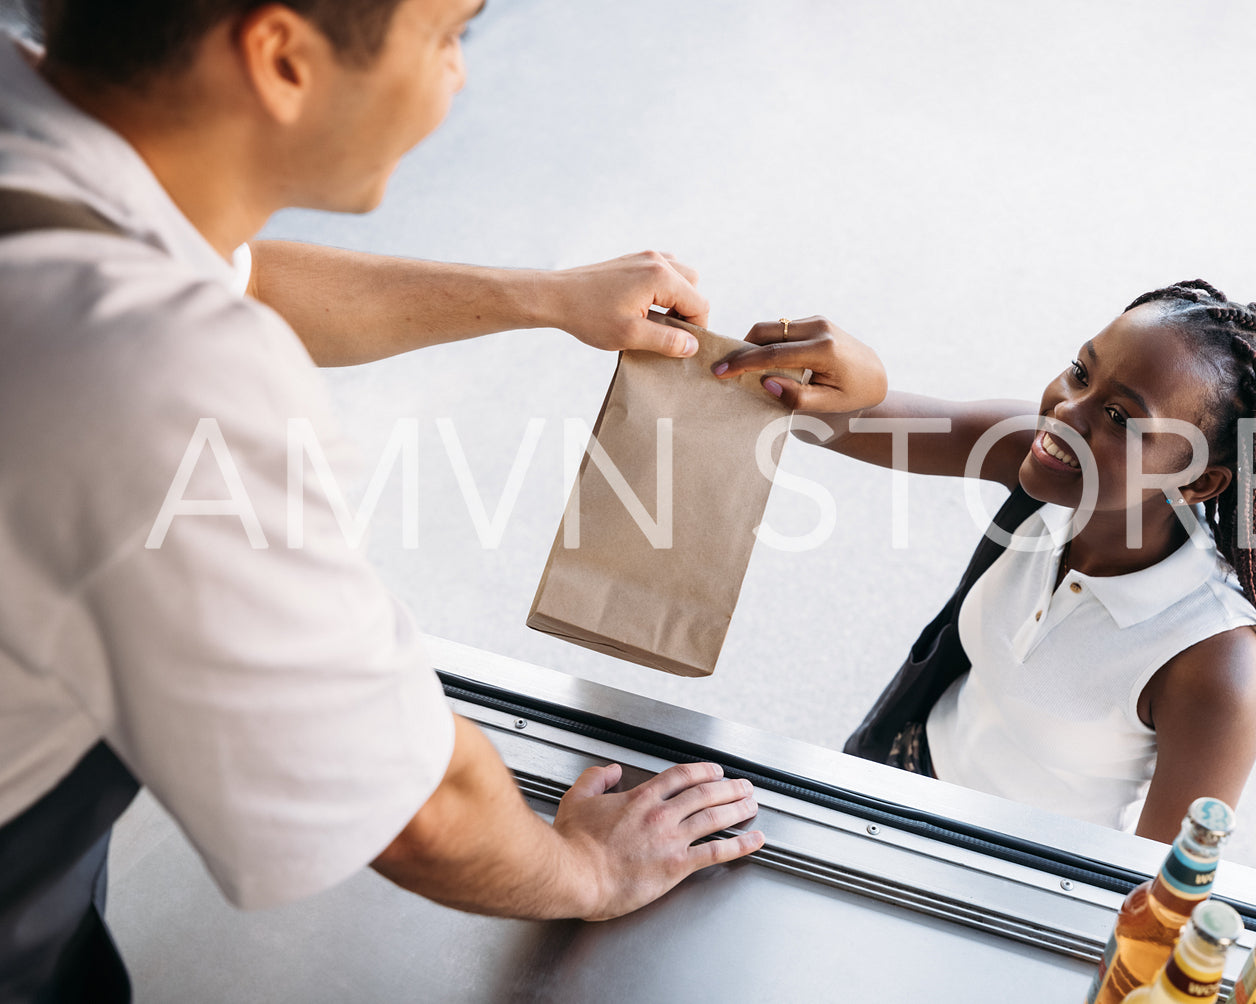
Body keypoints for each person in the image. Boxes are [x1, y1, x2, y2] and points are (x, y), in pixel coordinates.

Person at [0, 1, 772, 1000]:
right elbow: (415, 806)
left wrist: (538, 298)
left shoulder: (42, 139)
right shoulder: (163, 381)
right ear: (280, 57)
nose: (458, 76)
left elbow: (216, 270)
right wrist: (590, 867)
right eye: (448, 34)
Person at [713, 283, 1256, 842]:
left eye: (1118, 417)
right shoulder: (1037, 457)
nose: (1066, 412)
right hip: (892, 771)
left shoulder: (1216, 666)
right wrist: (852, 378)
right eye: (1082, 371)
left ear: (1198, 482)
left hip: (1022, 872)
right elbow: (832, 418)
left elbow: (1159, 888)